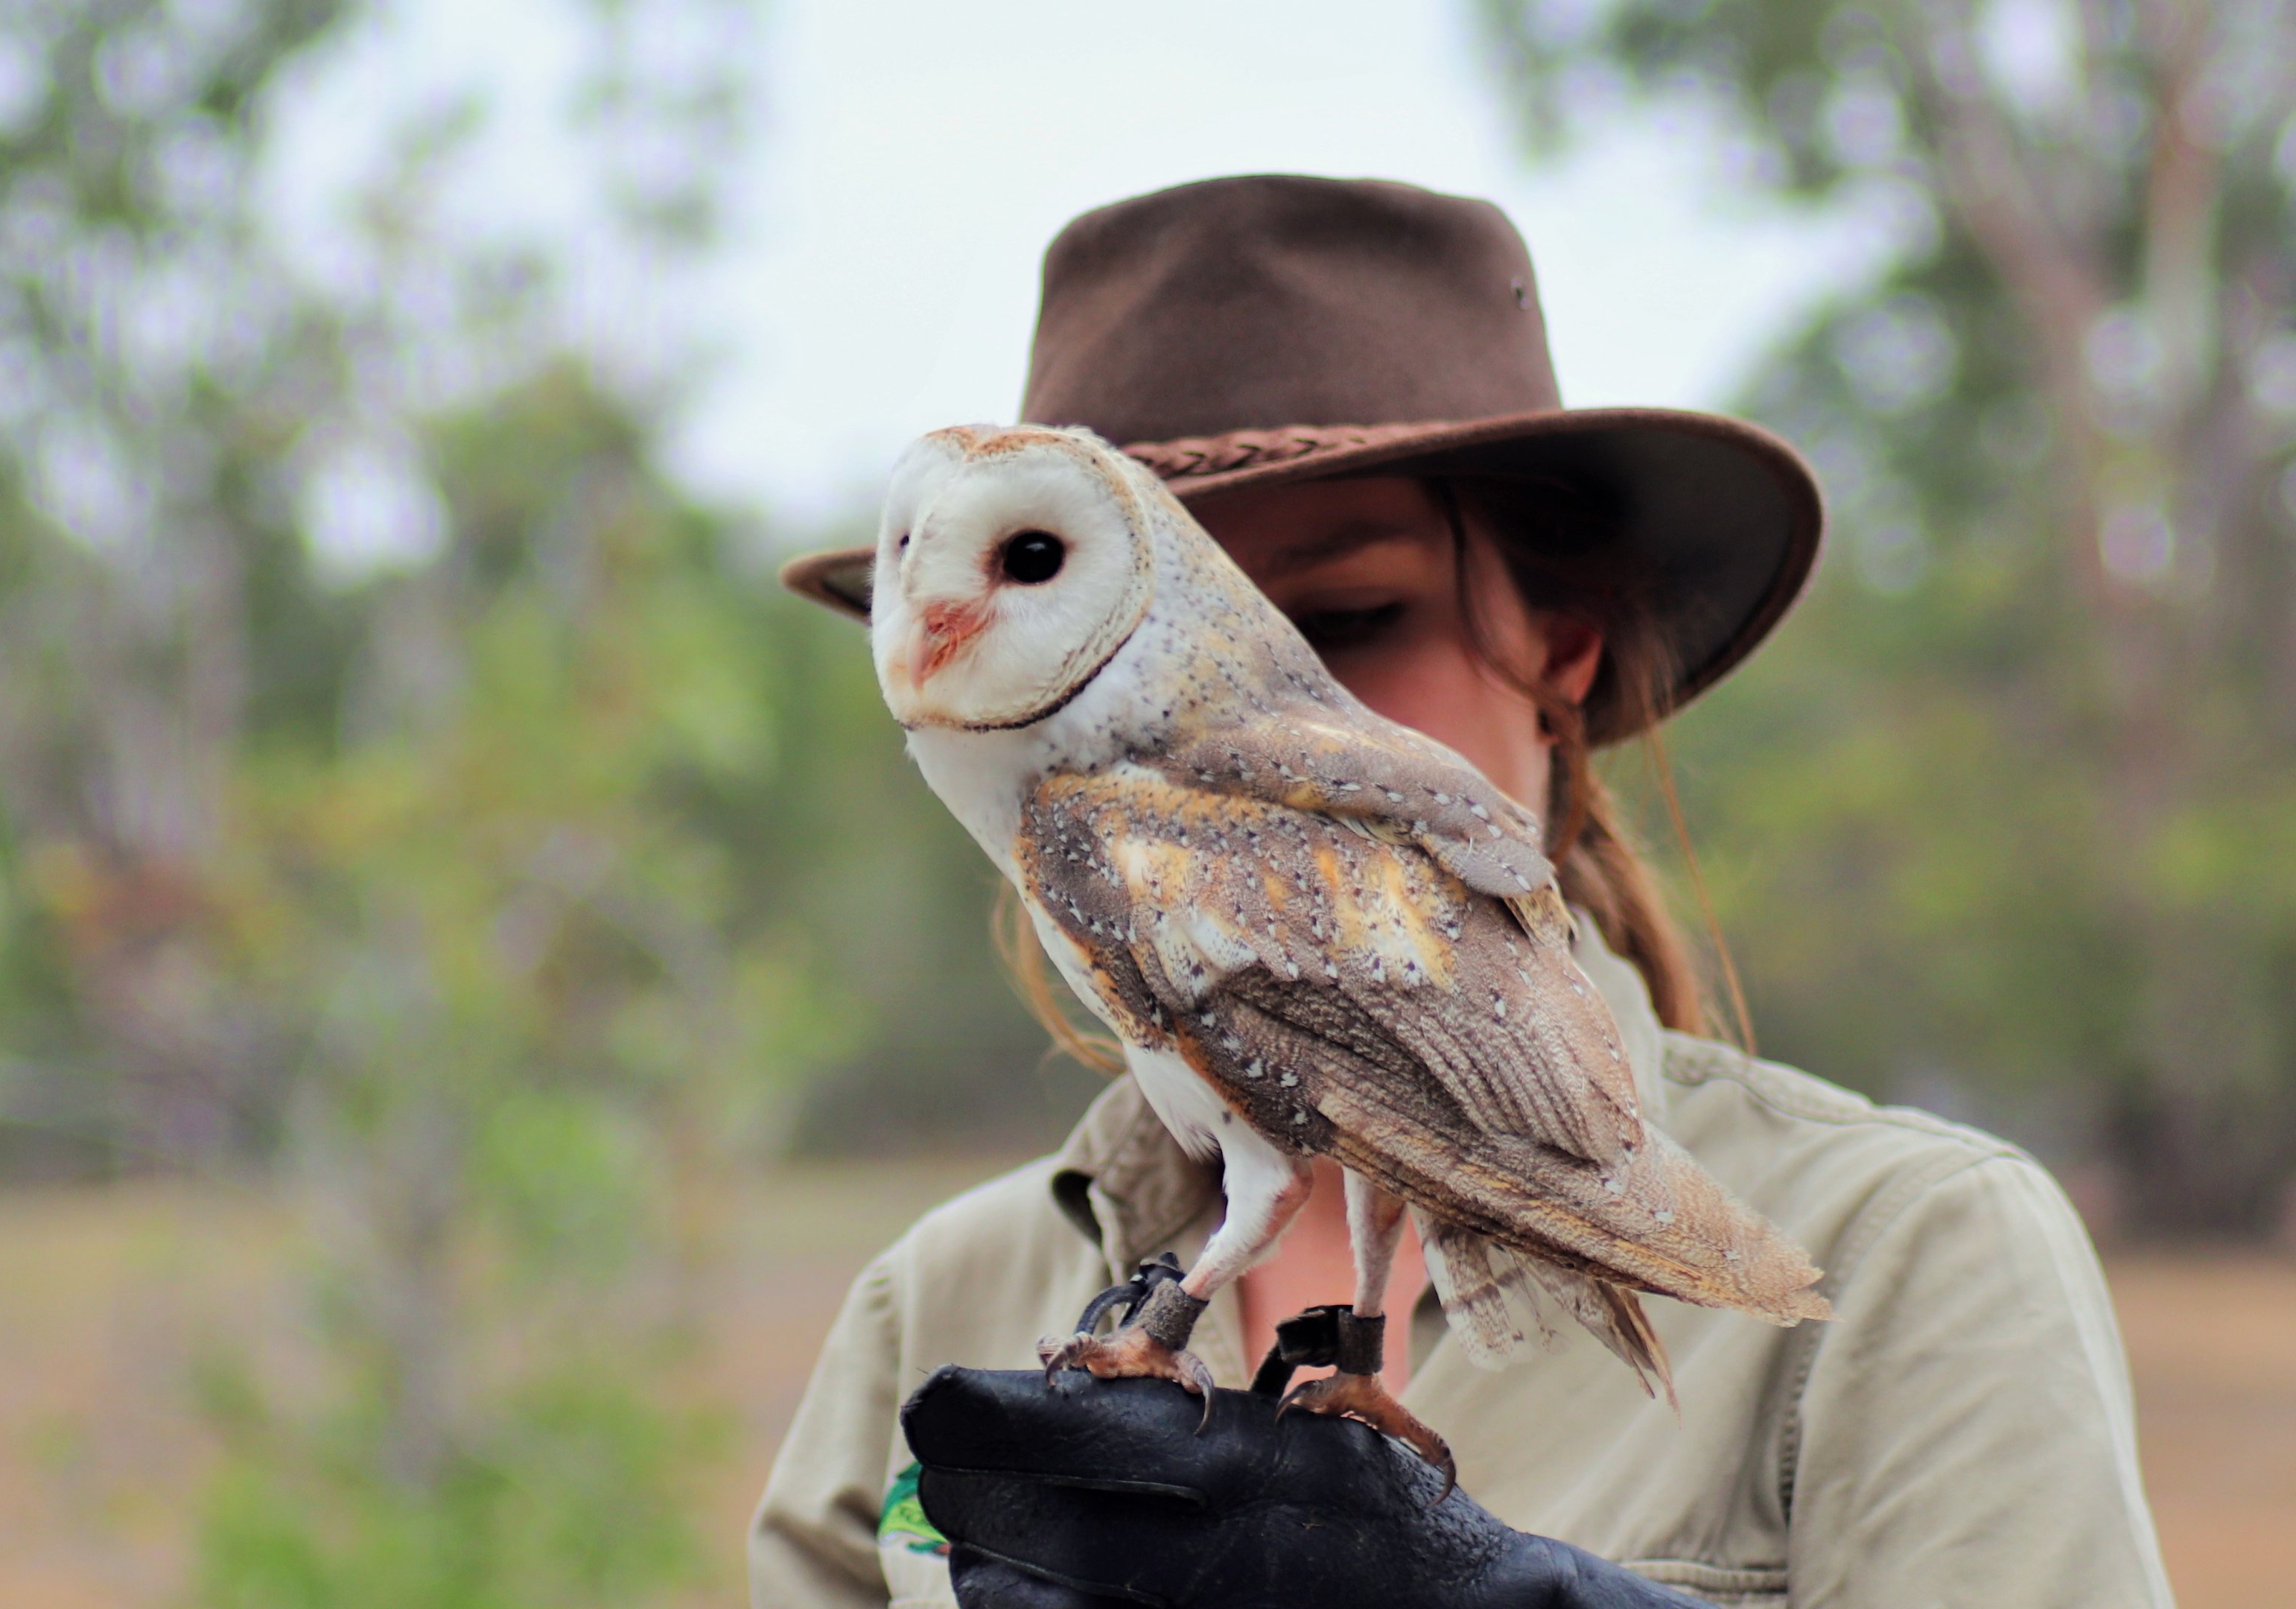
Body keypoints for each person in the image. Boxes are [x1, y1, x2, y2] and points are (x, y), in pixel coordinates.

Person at [758, 176, 2172, 1608]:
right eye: (1126, 614)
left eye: (1348, 616)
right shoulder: (933, 1307)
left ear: (1565, 644)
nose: (1240, 696)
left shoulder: (1912, 1257)